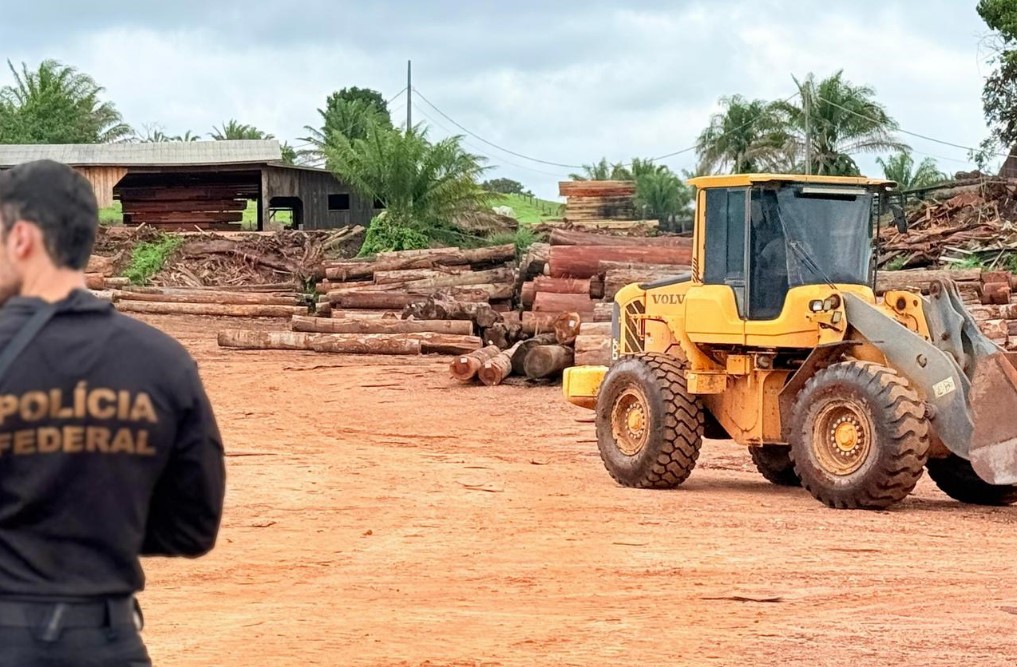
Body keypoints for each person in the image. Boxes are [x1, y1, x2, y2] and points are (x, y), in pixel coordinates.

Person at [0, 160, 226, 665]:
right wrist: (100, 526)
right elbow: (193, 528)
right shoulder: (163, 362)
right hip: (108, 643)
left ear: (20, 239)